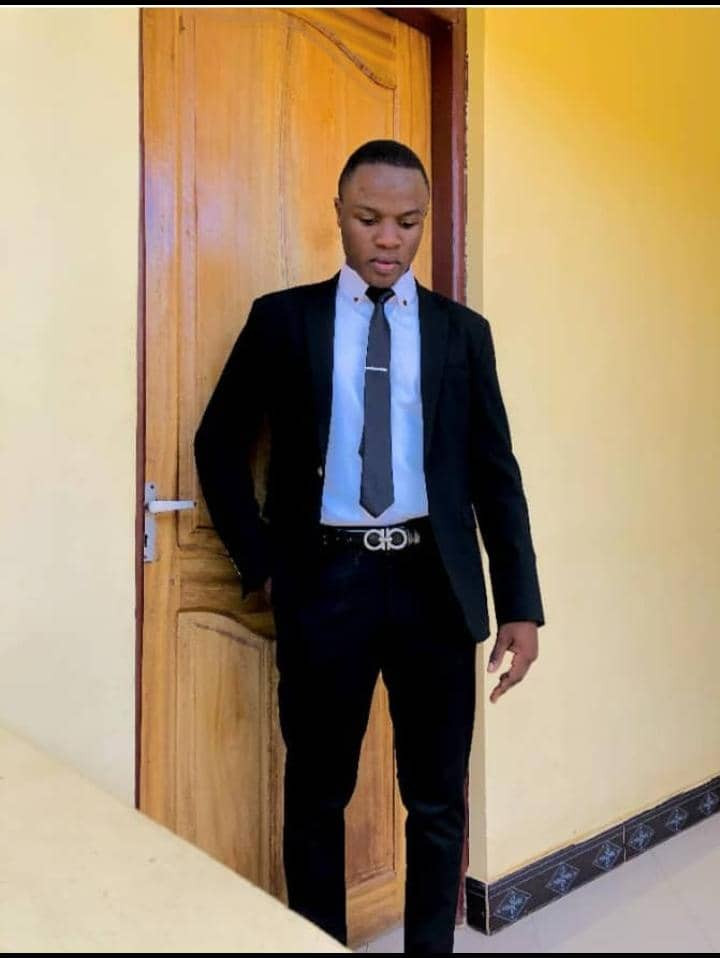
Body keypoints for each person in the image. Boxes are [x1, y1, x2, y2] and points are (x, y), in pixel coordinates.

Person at [193, 139, 545, 954]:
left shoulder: (462, 334)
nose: (388, 239)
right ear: (339, 215)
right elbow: (218, 443)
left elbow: (496, 475)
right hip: (326, 583)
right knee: (317, 795)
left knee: (437, 800)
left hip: (435, 585)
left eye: (408, 223)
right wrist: (263, 563)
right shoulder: (284, 321)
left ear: (424, 221)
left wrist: (521, 605)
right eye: (368, 219)